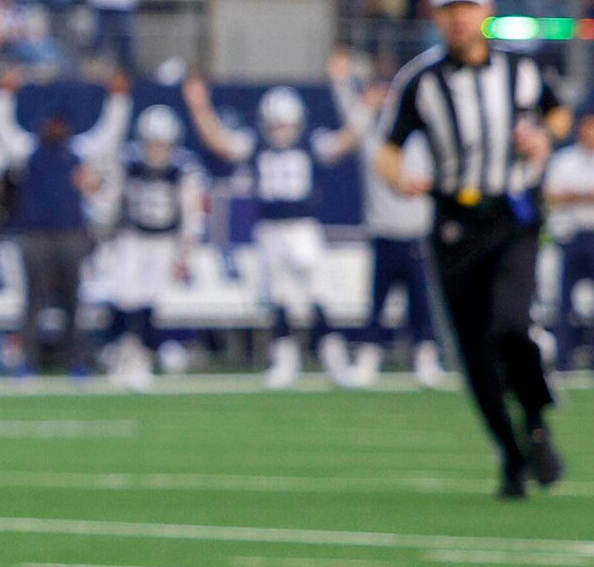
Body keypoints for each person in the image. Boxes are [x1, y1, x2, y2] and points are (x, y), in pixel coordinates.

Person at [377, 0, 573, 497]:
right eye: (449, 11)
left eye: (468, 9)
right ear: (437, 18)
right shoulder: (421, 80)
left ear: (487, 13)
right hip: (454, 224)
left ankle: (534, 423)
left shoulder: (522, 71)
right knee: (473, 351)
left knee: (511, 324)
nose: (460, 20)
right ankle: (509, 455)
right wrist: (401, 181)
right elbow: (387, 151)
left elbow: (559, 116)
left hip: (513, 216)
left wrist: (541, 138)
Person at [185, 58, 361, 388]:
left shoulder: (311, 143)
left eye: (286, 124)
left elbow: (348, 140)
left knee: (318, 295)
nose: (281, 130)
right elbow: (219, 141)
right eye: (276, 124)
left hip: (303, 227)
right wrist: (199, 106)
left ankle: (333, 357)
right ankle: (285, 357)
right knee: (278, 297)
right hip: (270, 228)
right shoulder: (256, 144)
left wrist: (353, 97)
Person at [0, 71, 131, 375]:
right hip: (35, 237)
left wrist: (119, 100)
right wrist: (3, 96)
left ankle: (75, 361)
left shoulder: (78, 153)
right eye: (51, 123)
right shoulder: (29, 152)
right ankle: (27, 362)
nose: (56, 128)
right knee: (32, 305)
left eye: (61, 124)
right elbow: (2, 131)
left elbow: (109, 136)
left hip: (71, 235)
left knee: (73, 305)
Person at [338, 55, 447, 387]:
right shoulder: (376, 140)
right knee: (378, 303)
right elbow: (353, 124)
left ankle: (426, 359)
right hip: (384, 233)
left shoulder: (423, 141)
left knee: (421, 304)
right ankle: (370, 358)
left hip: (417, 234)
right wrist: (342, 83)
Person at [95, 104, 204, 390]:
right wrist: (103, 230)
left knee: (148, 298)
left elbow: (191, 214)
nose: (156, 150)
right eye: (152, 143)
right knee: (123, 295)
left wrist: (185, 251)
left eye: (162, 144)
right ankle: (121, 353)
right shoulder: (128, 162)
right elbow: (109, 199)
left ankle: (138, 355)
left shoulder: (183, 168)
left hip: (163, 240)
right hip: (131, 237)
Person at [546, 113, 594, 372]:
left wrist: (572, 196)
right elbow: (552, 195)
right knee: (564, 300)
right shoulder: (564, 160)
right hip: (571, 235)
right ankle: (564, 358)